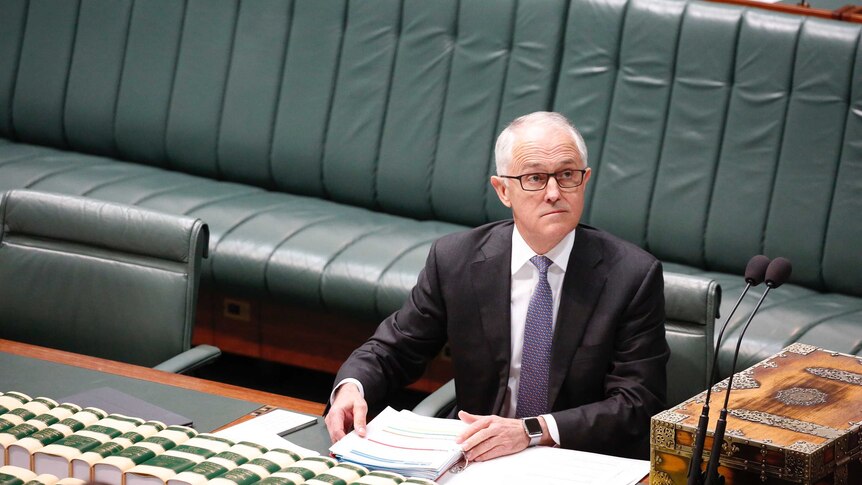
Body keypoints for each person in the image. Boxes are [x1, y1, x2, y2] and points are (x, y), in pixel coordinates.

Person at [325, 111, 668, 461]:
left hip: (574, 456)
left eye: (567, 175)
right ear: (503, 189)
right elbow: (394, 349)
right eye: (534, 178)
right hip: (477, 454)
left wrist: (532, 431)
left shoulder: (631, 275)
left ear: (585, 180)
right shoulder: (456, 260)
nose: (554, 192)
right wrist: (352, 387)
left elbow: (638, 402)